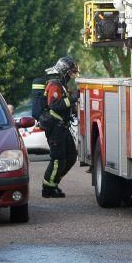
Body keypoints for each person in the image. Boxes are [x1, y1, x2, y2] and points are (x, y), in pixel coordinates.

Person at [40, 56, 79, 198]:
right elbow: (55, 105)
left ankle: (53, 183)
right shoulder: (54, 84)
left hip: (62, 126)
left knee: (71, 156)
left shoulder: (61, 84)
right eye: (70, 72)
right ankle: (48, 188)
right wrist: (73, 98)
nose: (71, 76)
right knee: (58, 159)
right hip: (55, 126)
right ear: (63, 71)